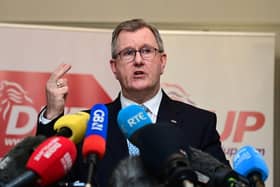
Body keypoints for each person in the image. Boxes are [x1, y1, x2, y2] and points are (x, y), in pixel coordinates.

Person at [36, 18, 229, 187]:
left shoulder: (199, 123)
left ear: (162, 61)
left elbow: (222, 181)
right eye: (128, 53)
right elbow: (45, 177)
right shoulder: (90, 125)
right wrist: (53, 114)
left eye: (146, 51)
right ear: (114, 67)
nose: (138, 60)